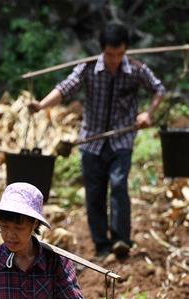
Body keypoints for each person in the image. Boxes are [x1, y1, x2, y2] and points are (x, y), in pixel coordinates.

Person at [30, 22, 165, 259]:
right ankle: (101, 244)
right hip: (92, 141)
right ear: (102, 50)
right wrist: (41, 105)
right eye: (110, 54)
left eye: (119, 54)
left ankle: (121, 239)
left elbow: (159, 89)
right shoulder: (87, 69)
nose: (114, 60)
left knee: (119, 185)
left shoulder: (136, 70)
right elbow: (65, 89)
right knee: (95, 193)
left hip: (121, 139)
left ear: (126, 51)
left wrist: (148, 114)